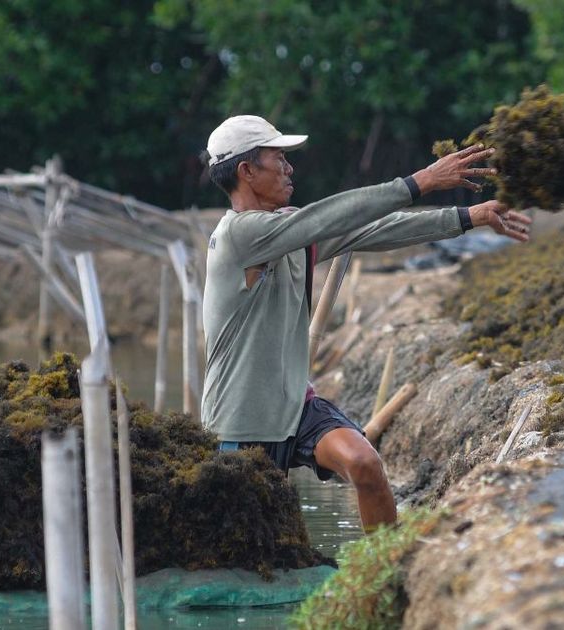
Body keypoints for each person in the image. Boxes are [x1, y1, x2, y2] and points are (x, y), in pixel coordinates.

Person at [200, 115, 532, 531]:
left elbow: (375, 228)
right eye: (279, 158)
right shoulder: (238, 235)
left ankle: (384, 569)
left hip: (292, 407)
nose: (289, 168)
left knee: (364, 464)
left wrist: (470, 216)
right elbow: (327, 216)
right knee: (252, 544)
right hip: (241, 419)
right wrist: (419, 182)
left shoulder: (289, 232)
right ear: (247, 171)